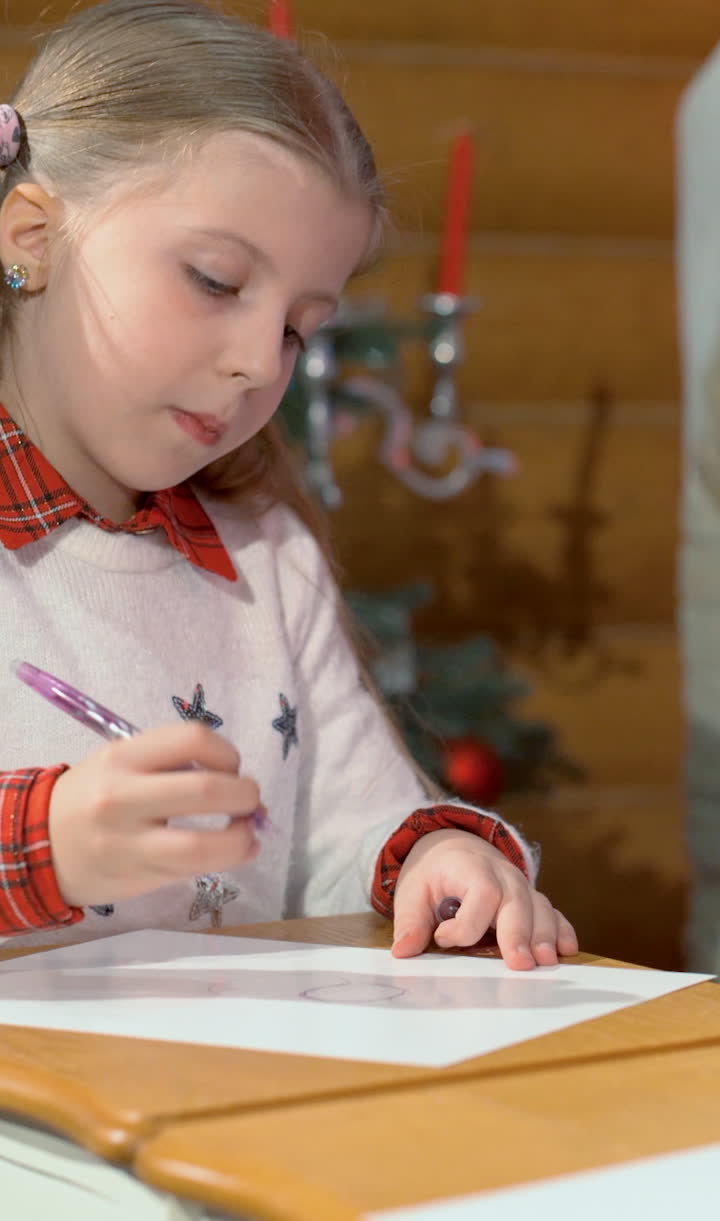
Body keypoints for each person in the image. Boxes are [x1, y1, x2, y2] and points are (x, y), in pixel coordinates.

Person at [0, 0, 577, 969]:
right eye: (217, 280)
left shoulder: (266, 552)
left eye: (300, 328)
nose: (260, 362)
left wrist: (433, 857)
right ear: (33, 236)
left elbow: (354, 828)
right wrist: (42, 843)